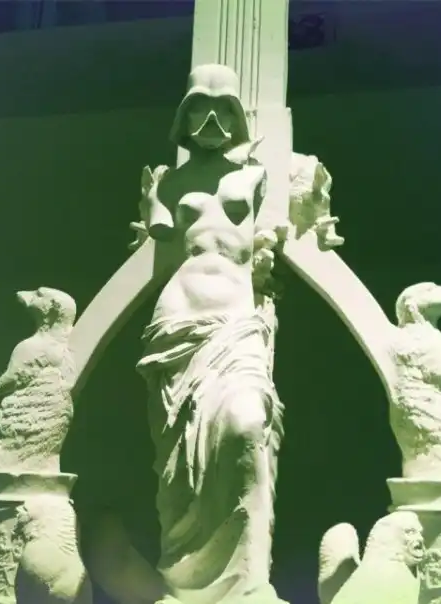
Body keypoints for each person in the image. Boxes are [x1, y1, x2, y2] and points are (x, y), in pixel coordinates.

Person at [136, 64, 286, 604]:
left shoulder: (255, 176)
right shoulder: (169, 182)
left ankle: (249, 582)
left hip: (236, 326)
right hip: (178, 326)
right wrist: (150, 199)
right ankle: (184, 581)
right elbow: (157, 233)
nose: (212, 120)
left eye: (224, 109)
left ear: (237, 116)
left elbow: (271, 238)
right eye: (200, 107)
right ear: (185, 116)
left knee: (247, 426)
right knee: (178, 465)